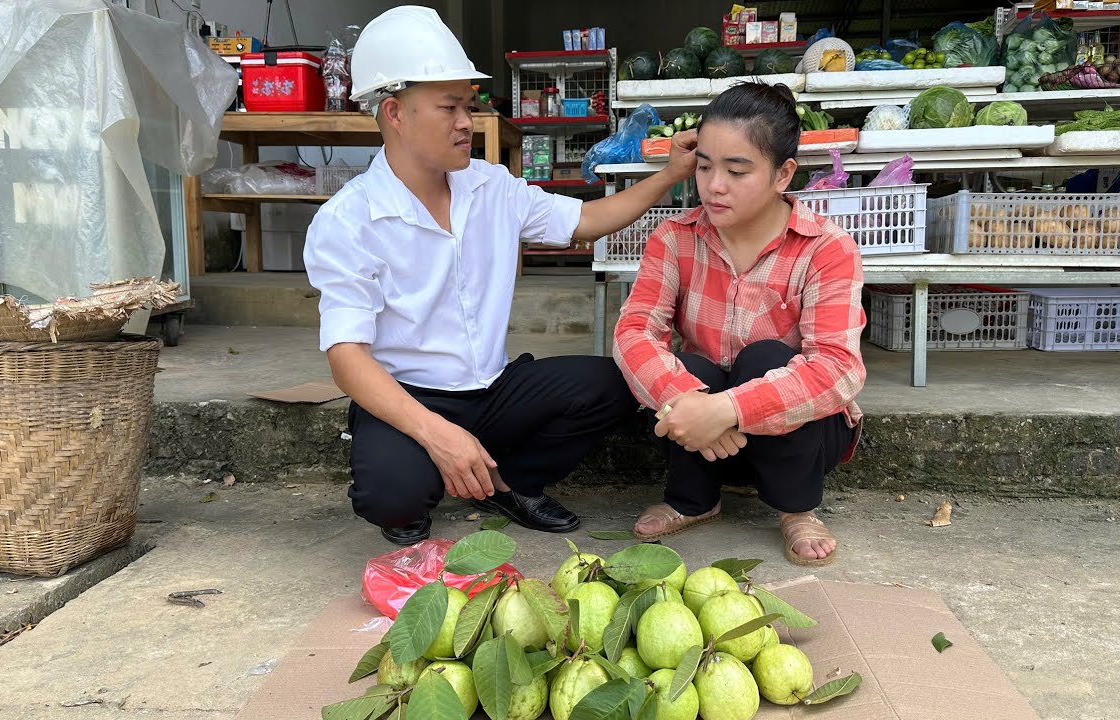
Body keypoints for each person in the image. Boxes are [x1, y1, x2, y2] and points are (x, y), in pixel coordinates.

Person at [304, 6, 698, 545]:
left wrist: (671, 173)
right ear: (394, 112)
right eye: (449, 107)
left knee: (613, 383)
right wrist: (438, 435)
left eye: (468, 105)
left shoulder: (491, 187)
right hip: (410, 397)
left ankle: (510, 484)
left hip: (495, 389)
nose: (467, 121)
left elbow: (585, 220)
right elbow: (347, 360)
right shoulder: (347, 221)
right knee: (390, 497)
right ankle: (425, 480)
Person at [612, 82, 865, 566]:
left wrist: (726, 409)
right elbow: (634, 332)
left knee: (766, 357)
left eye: (737, 169)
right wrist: (684, 398)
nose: (714, 185)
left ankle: (797, 508)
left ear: (782, 174)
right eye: (704, 166)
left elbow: (838, 368)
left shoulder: (826, 249)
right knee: (687, 367)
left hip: (799, 440)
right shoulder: (674, 238)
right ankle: (694, 499)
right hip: (699, 434)